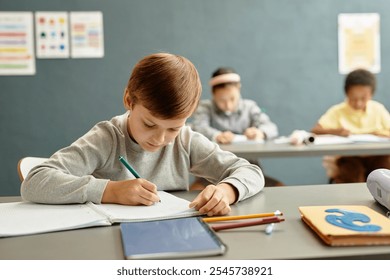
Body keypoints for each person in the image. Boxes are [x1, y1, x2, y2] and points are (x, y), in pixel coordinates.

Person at [21, 53, 264, 217]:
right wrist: (110, 191)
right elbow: (36, 182)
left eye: (173, 128)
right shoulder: (107, 138)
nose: (159, 139)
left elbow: (251, 172)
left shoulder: (185, 141)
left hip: (173, 239)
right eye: (149, 124)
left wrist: (226, 190)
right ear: (129, 100)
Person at [191, 67, 283, 187]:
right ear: (213, 94)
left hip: (249, 171)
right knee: (194, 191)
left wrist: (260, 132)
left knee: (280, 187)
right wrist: (217, 135)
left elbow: (271, 127)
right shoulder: (205, 107)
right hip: (212, 173)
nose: (228, 105)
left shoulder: (250, 107)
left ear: (239, 89)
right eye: (222, 101)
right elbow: (198, 127)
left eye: (232, 99)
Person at [311, 68, 390, 183]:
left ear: (371, 94)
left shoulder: (378, 109)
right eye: (353, 98)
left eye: (363, 98)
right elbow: (315, 130)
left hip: (377, 156)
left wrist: (379, 133)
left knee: (383, 173)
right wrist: (337, 132)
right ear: (347, 93)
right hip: (349, 157)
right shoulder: (337, 111)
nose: (358, 103)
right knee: (352, 174)